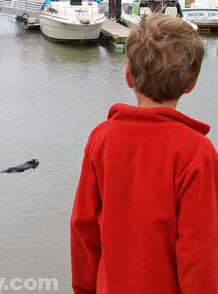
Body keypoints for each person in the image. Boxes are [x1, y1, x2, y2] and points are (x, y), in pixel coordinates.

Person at [70, 14, 217, 294]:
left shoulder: (101, 139)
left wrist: (84, 288)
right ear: (191, 83)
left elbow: (83, 228)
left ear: (128, 76)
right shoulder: (197, 153)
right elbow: (199, 251)